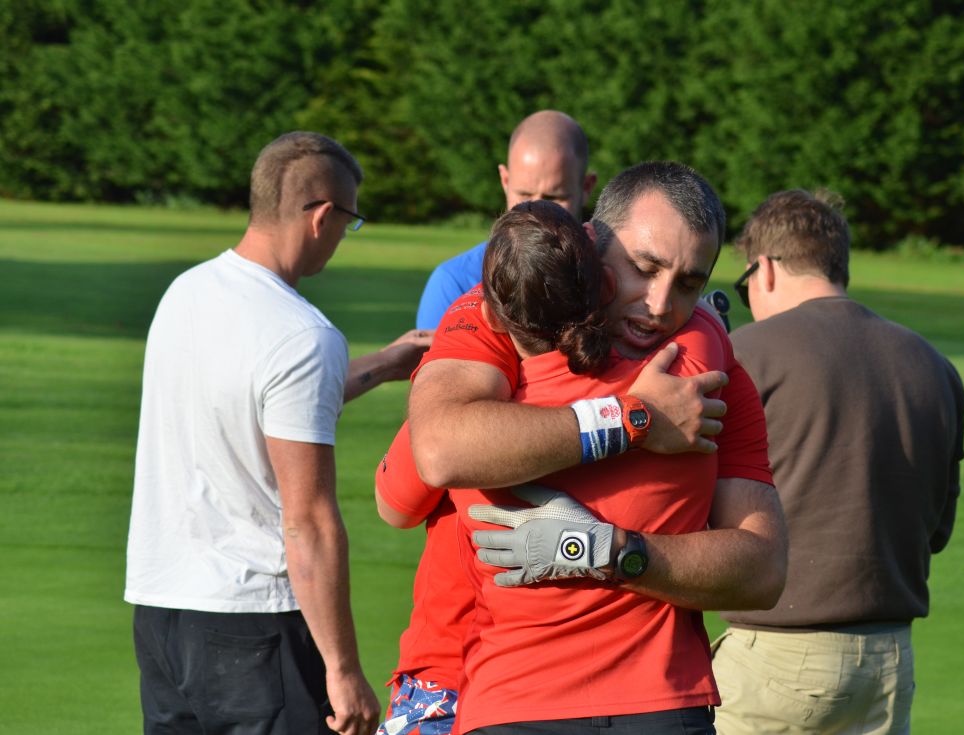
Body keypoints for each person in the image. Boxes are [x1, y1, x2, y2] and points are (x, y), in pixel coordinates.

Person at [387, 163, 789, 734]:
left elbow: (764, 572)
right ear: (590, 239)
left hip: (660, 705)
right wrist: (633, 418)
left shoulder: (711, 372)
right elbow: (439, 450)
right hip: (511, 701)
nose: (658, 304)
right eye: (643, 268)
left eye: (690, 283)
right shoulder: (500, 312)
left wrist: (609, 551)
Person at [125, 131, 381, 735]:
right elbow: (310, 522)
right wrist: (343, 671)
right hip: (253, 626)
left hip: (162, 615)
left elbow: (256, 407)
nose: (345, 235)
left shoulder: (185, 293)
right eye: (350, 221)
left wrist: (379, 365)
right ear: (322, 215)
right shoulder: (302, 335)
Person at [712, 189, 964, 735]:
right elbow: (938, 530)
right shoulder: (935, 366)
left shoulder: (749, 353)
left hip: (776, 655)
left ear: (766, 269)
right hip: (890, 662)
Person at [414, 109, 597, 330]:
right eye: (524, 195)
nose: (536, 212)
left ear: (586, 187)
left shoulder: (612, 275)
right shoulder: (455, 282)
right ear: (505, 180)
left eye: (553, 198)